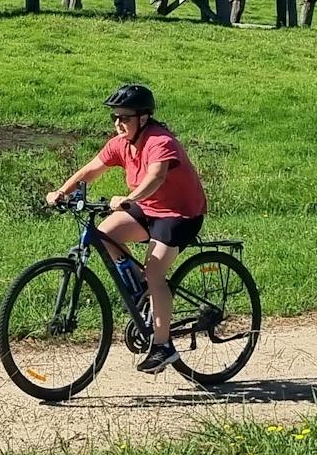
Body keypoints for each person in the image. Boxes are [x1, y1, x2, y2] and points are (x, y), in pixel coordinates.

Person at [44, 83, 208, 374]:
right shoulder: (121, 143)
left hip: (180, 214)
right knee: (105, 234)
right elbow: (89, 171)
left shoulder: (160, 141)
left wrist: (129, 198)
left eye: (125, 118)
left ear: (143, 119)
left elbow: (156, 177)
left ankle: (162, 346)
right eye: (115, 118)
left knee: (156, 271)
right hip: (148, 209)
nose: (119, 124)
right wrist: (62, 192)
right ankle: (144, 291)